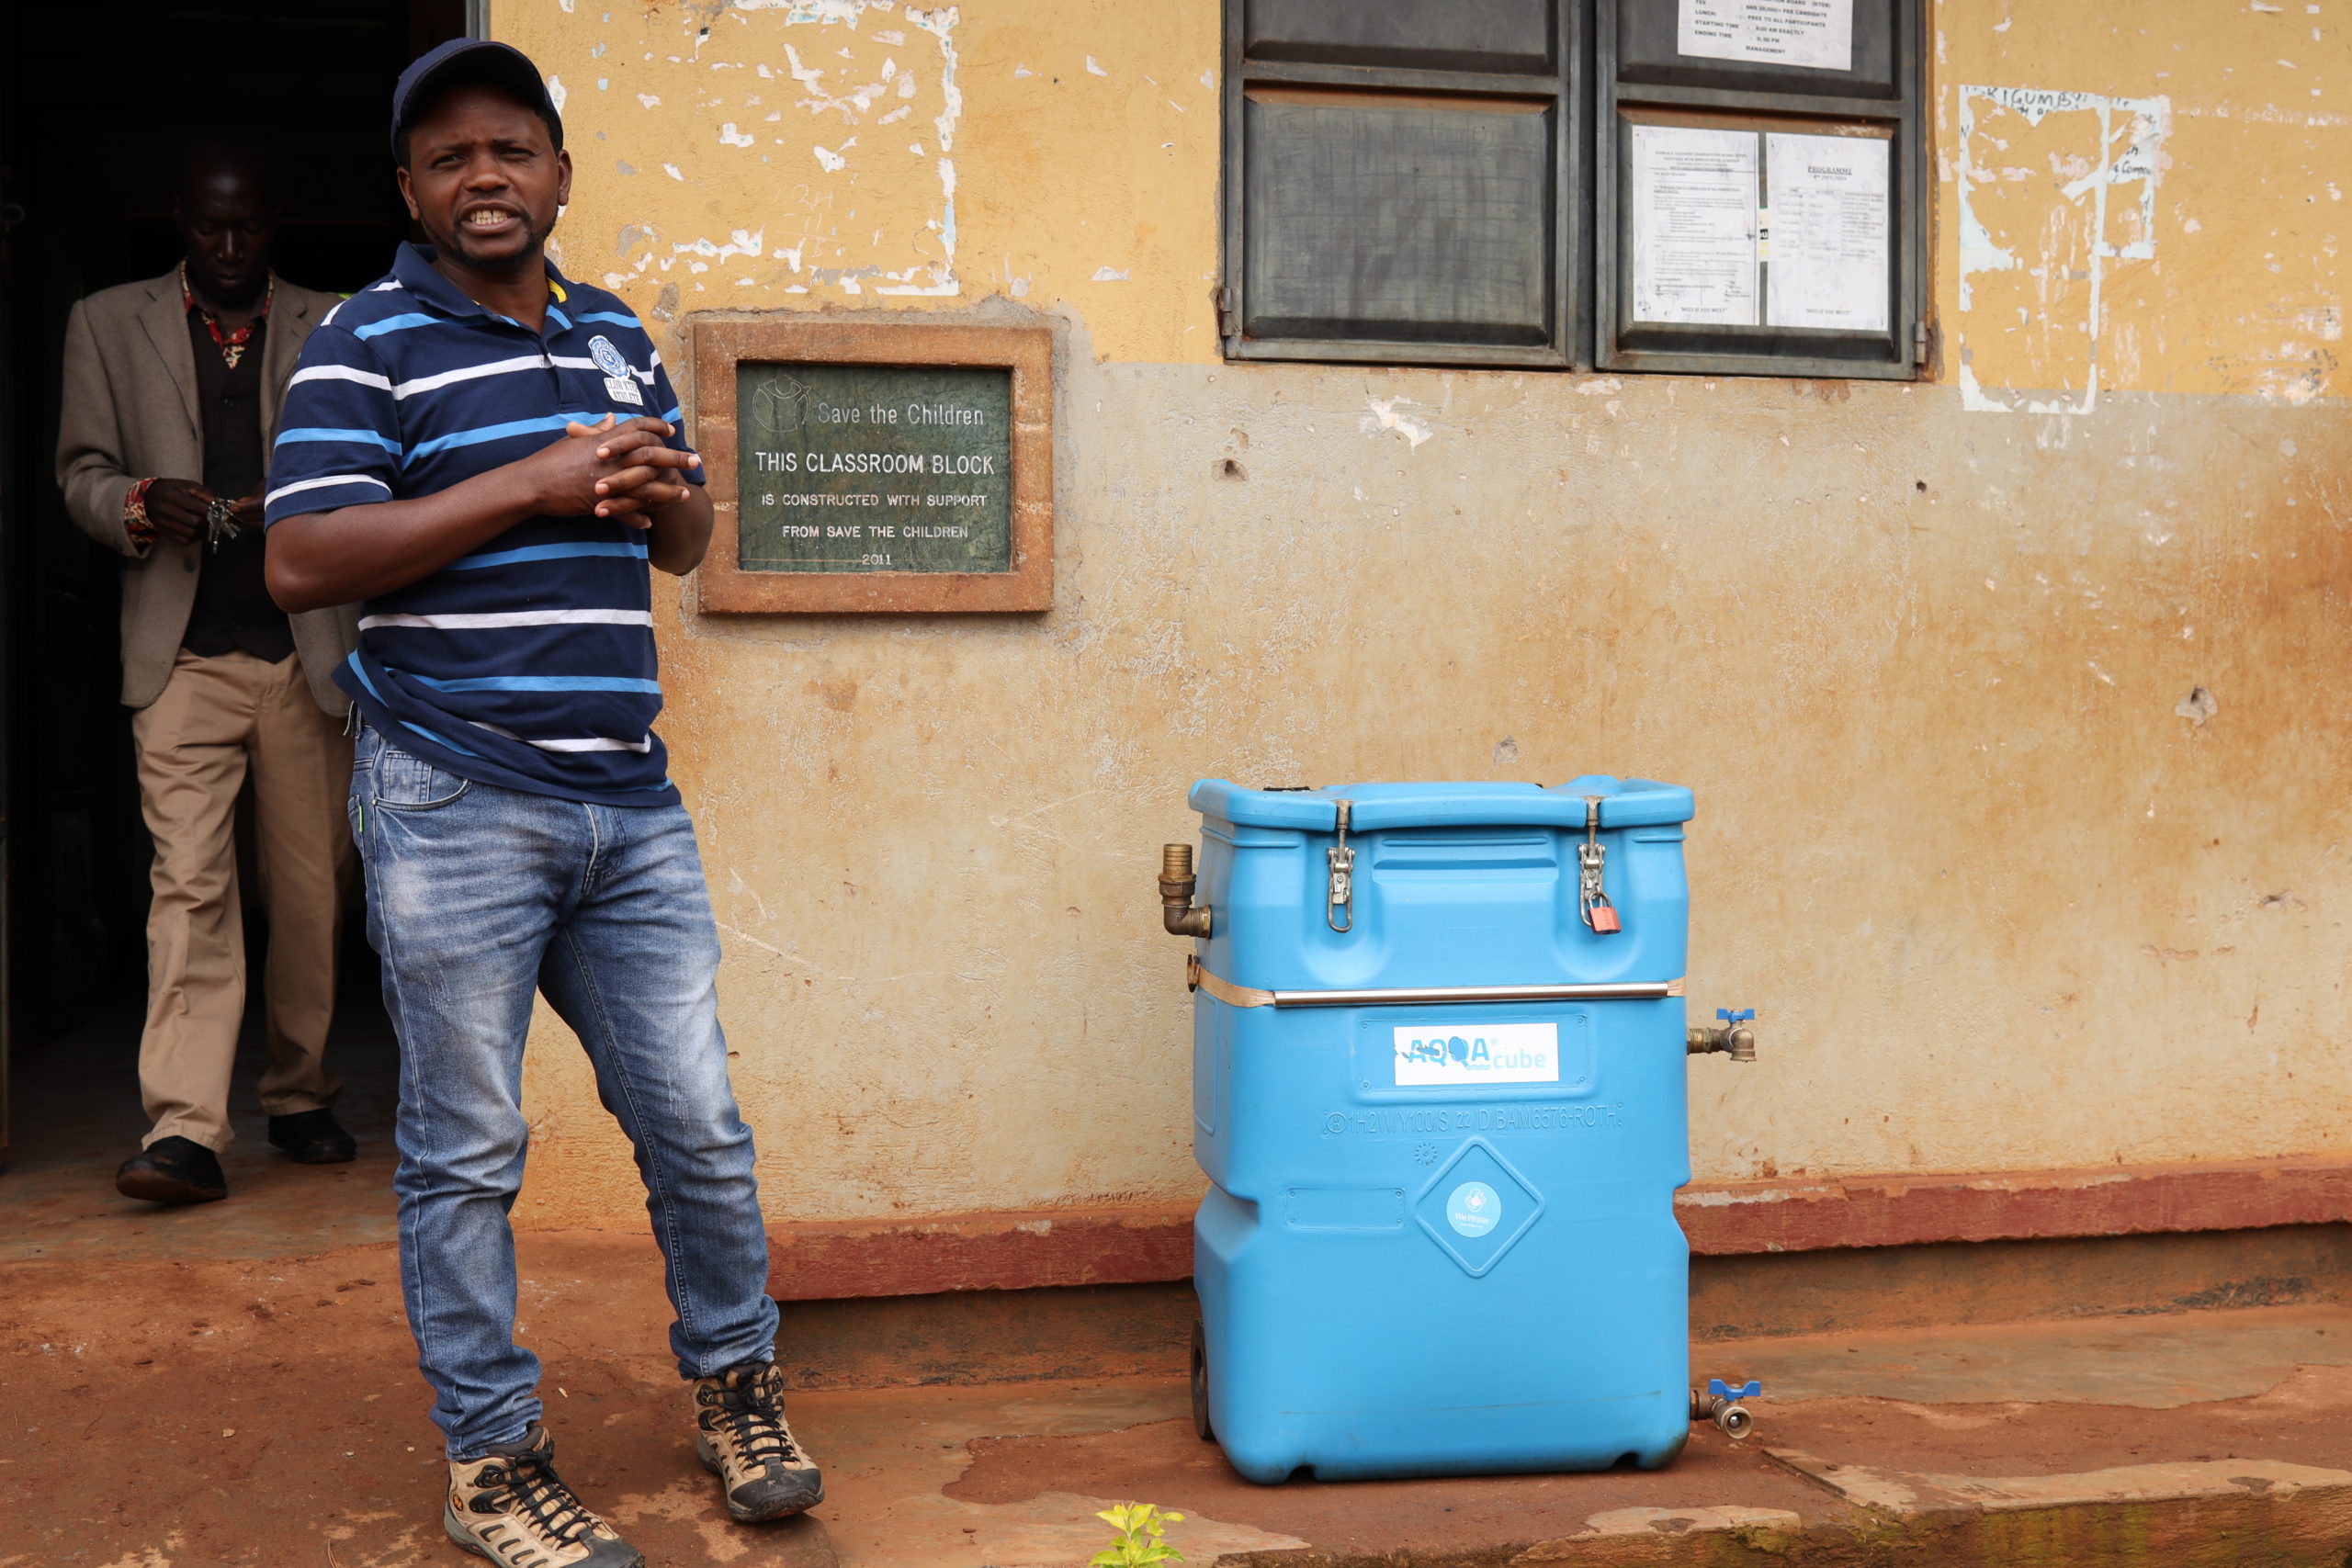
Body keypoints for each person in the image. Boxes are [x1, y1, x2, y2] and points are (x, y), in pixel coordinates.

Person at [262, 40, 817, 1565]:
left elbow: (689, 549)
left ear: (559, 173)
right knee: (466, 1147)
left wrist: (658, 493)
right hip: (452, 799)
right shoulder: (364, 342)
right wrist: (532, 482)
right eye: (449, 157)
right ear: (410, 191)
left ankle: (738, 1386)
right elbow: (301, 560)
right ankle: (492, 1461)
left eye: (512, 148)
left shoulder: (616, 332)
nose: (484, 174)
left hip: (629, 807)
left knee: (698, 1123)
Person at [56, 139, 362, 1206]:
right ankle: (184, 1130)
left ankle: (301, 1091)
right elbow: (80, 475)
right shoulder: (104, 321)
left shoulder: (340, 320)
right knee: (188, 886)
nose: (229, 248)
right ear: (176, 221)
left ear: (279, 223)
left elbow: (379, 464)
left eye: (250, 228)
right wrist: (141, 502)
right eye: (207, 228)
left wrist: (314, 506)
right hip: (178, 654)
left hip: (306, 650)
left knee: (312, 892)